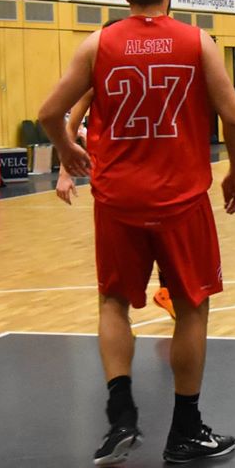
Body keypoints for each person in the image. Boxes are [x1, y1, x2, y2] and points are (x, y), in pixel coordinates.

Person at [39, 0, 235, 467]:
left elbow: (48, 112)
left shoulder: (99, 43)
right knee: (191, 306)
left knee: (113, 301)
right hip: (180, 200)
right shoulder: (199, 42)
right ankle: (185, 429)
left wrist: (66, 150)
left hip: (118, 199)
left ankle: (121, 417)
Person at [55, 21, 176, 320]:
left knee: (162, 237)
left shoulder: (147, 73)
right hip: (116, 178)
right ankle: (123, 321)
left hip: (155, 171)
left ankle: (164, 291)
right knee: (121, 272)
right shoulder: (97, 78)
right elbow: (69, 123)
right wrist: (64, 171)